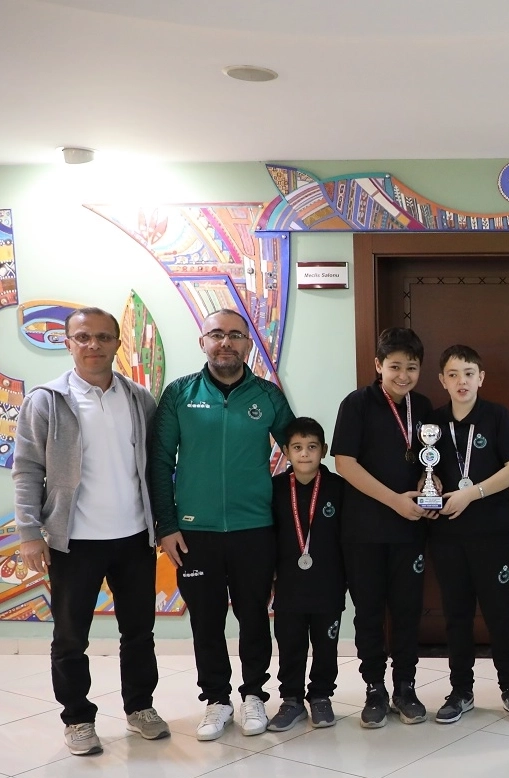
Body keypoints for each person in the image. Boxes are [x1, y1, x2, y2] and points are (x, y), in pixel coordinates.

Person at [13, 307, 168, 755]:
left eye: (103, 337)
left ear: (118, 343)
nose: (93, 345)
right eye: (83, 337)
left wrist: (162, 524)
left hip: (134, 538)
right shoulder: (47, 400)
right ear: (68, 343)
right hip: (74, 541)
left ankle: (140, 708)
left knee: (138, 633)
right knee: (70, 637)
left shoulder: (139, 399)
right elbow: (27, 468)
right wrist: (29, 532)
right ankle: (78, 718)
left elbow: (155, 467)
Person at [151, 308, 293, 741]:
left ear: (248, 344)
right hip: (195, 533)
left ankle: (254, 696)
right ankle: (216, 700)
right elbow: (159, 462)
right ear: (203, 342)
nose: (226, 342)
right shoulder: (179, 394)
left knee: (254, 616)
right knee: (206, 621)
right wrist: (166, 526)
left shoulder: (267, 396)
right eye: (217, 334)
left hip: (255, 529)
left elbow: (299, 452)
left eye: (235, 335)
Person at [331, 327, 434, 728]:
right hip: (365, 531)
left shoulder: (422, 406)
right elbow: (345, 463)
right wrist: (395, 501)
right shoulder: (357, 403)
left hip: (410, 530)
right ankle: (374, 688)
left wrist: (430, 487)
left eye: (412, 367)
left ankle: (405, 686)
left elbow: (431, 461)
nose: (403, 375)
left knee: (407, 611)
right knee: (369, 612)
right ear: (378, 365)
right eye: (395, 366)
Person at [426, 345, 509, 724]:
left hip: (492, 535)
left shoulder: (497, 416)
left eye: (469, 373)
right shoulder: (432, 423)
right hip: (448, 536)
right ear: (442, 380)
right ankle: (461, 690)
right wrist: (430, 484)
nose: (462, 381)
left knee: (499, 615)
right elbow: (424, 471)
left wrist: (473, 493)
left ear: (481, 378)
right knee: (457, 616)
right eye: (453, 374)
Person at [267, 417, 346, 731]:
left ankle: (321, 696)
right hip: (288, 585)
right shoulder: (274, 489)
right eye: (297, 447)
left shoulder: (339, 488)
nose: (304, 454)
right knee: (290, 644)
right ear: (286, 451)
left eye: (312, 447)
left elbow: (347, 538)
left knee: (326, 646)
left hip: (329, 584)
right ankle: (291, 700)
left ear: (323, 450)